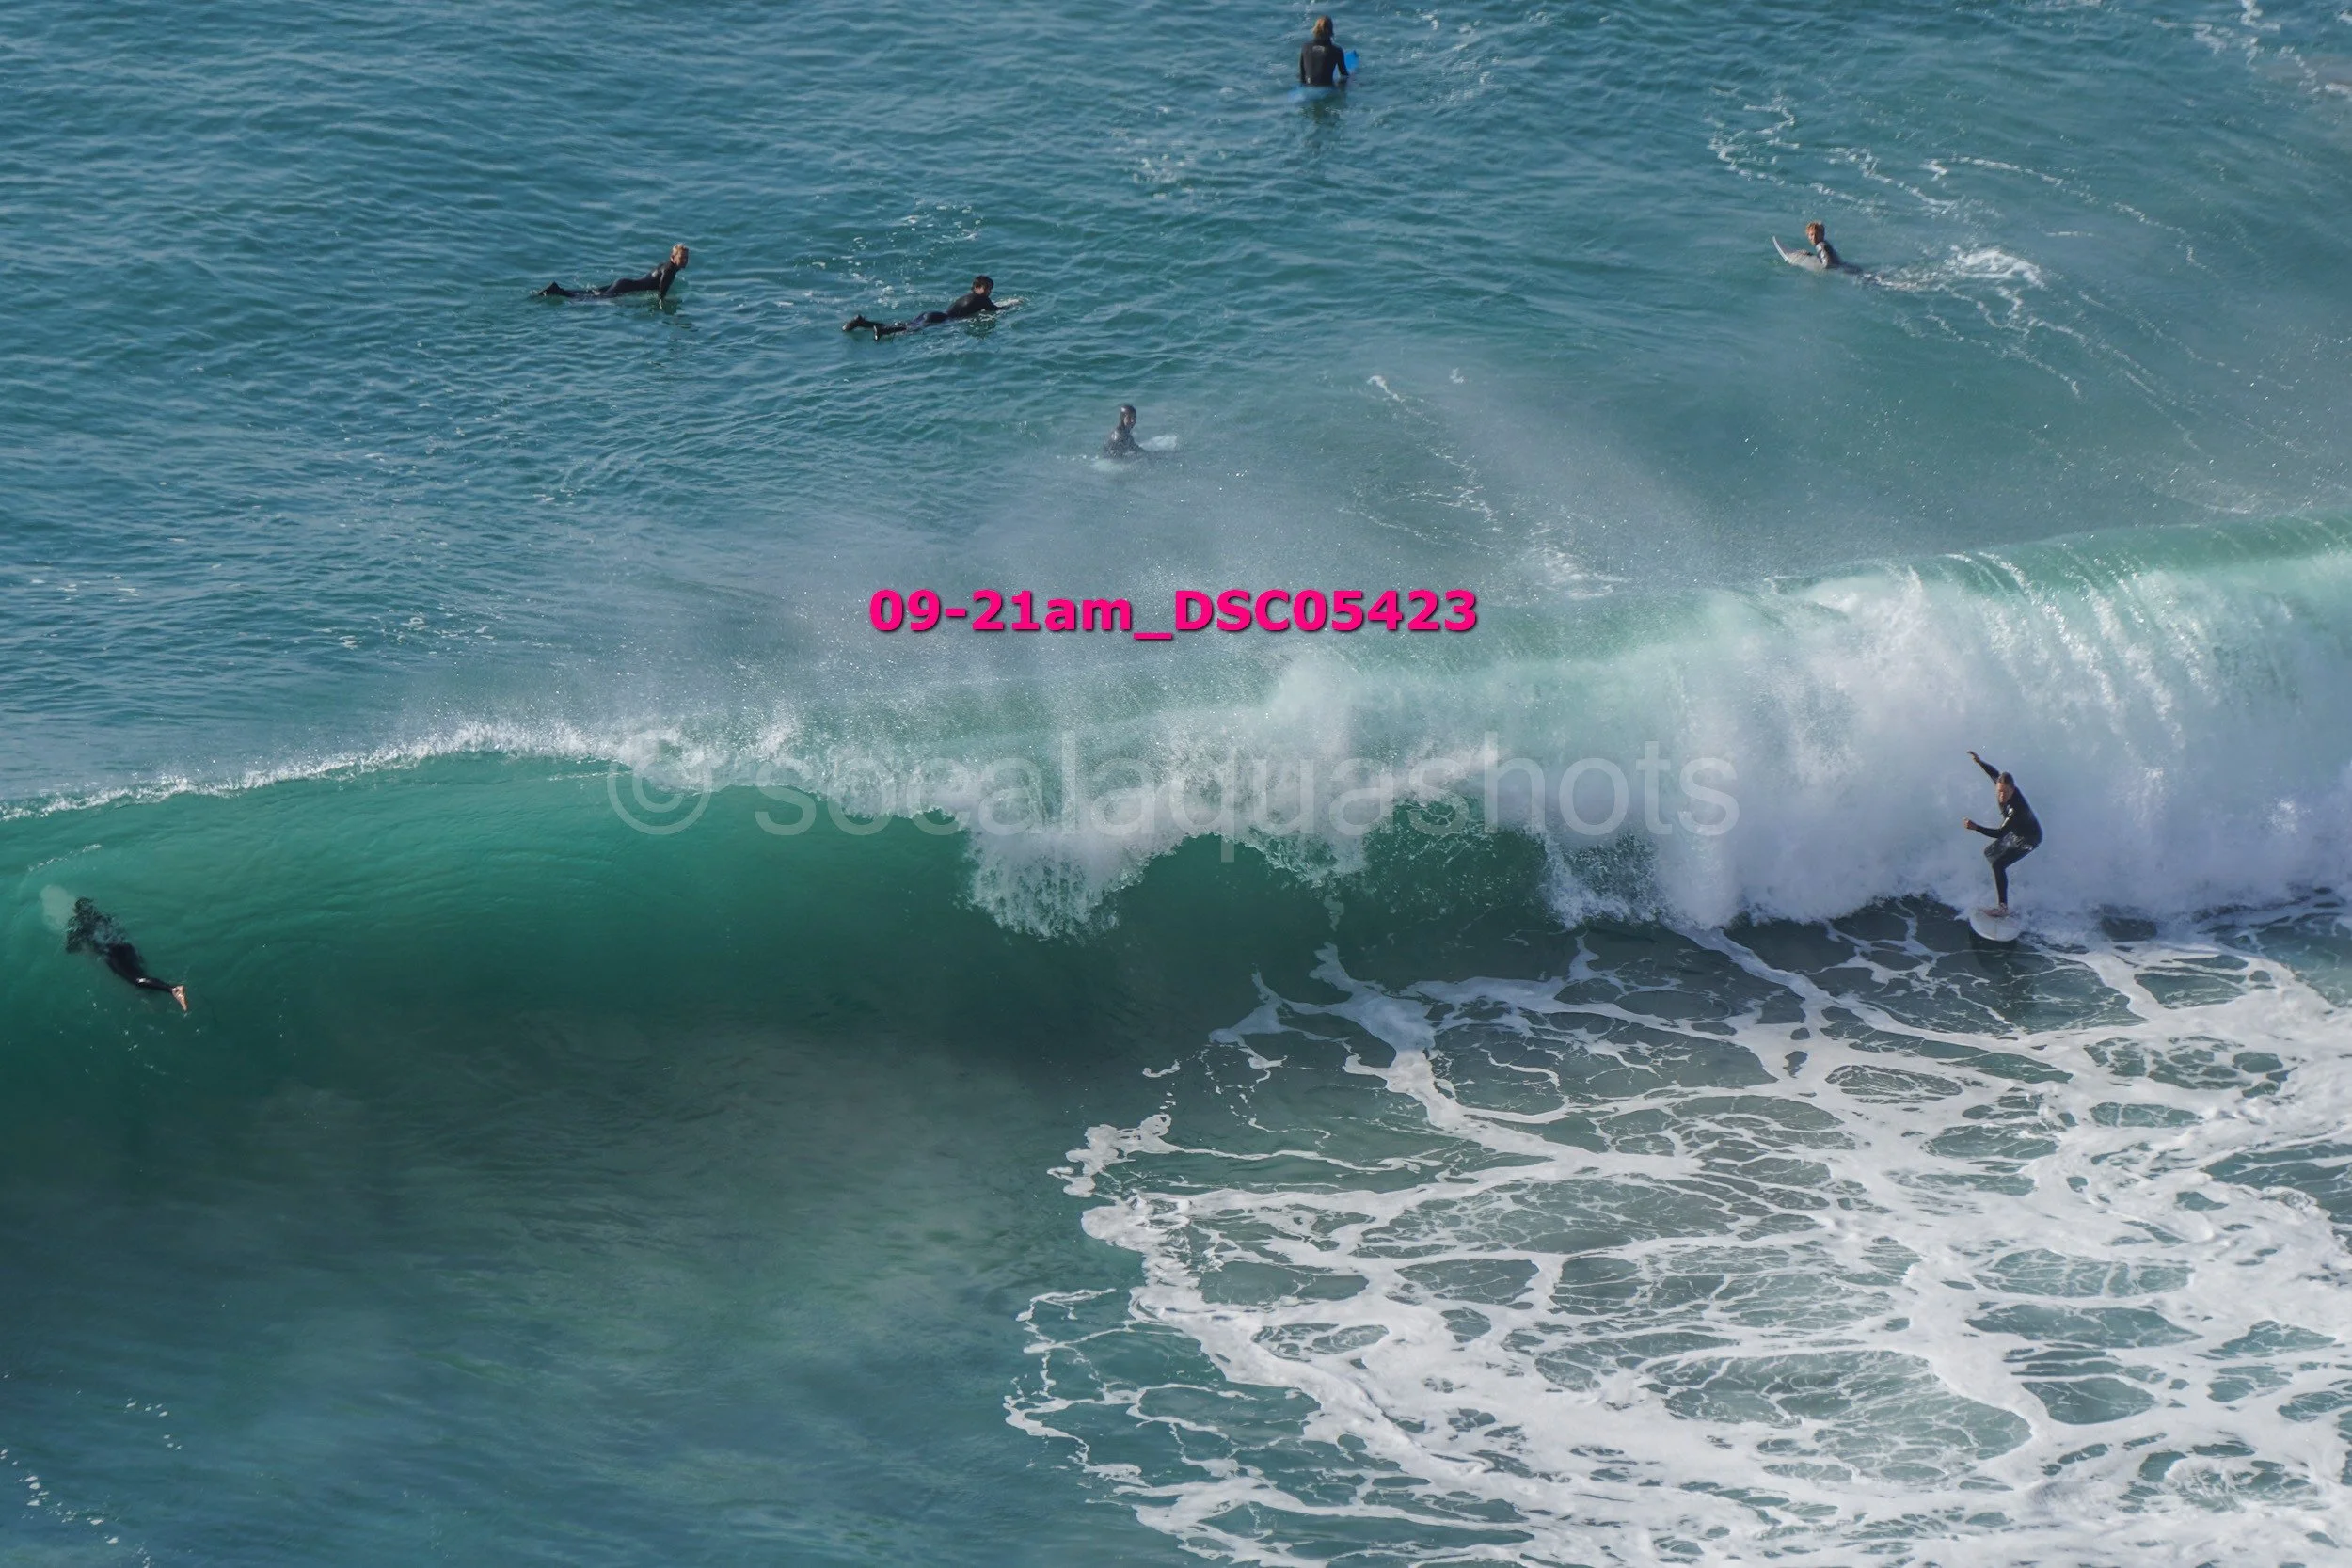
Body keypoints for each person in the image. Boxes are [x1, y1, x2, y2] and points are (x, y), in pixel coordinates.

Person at [65, 898, 186, 1011]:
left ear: (77, 912)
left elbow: (71, 948)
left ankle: (173, 990)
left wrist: (74, 934)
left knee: (136, 980)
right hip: (126, 946)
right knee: (140, 973)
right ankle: (151, 997)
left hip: (113, 954)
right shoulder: (103, 917)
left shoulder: (80, 926)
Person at [1962, 751, 2042, 915]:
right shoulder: (2001, 786)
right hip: (2016, 832)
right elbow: (1993, 773)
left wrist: (1976, 827)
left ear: (2013, 790)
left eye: (2005, 792)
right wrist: (1980, 762)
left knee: (1998, 864)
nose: (2001, 796)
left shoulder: (2016, 810)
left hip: (2030, 839)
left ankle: (2003, 908)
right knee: (1989, 853)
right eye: (1999, 791)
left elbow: (2000, 833)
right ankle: (2001, 882)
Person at [843, 276, 1014, 338]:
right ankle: (883, 331)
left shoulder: (970, 296)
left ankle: (862, 323)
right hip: (940, 318)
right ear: (977, 288)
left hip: (933, 314)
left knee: (904, 325)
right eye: (986, 288)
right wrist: (1013, 305)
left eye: (990, 289)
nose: (989, 292)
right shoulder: (981, 299)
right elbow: (995, 311)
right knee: (908, 330)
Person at [536, 244, 690, 300]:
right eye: (682, 258)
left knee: (592, 292)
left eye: (686, 258)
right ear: (672, 257)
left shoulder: (666, 266)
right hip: (625, 287)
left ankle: (558, 289)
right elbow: (661, 295)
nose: (685, 261)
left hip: (625, 283)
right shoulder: (670, 271)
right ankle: (559, 291)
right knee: (594, 299)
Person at [1299, 15, 1350, 87]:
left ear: (1315, 29)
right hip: (1327, 87)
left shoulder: (1305, 47)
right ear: (1331, 31)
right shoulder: (1336, 50)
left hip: (1308, 85)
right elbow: (1344, 74)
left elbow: (1302, 74)